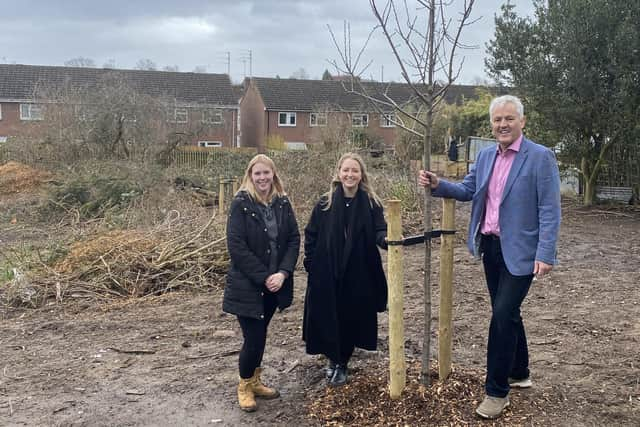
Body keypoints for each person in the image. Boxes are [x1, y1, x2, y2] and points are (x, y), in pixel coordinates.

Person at [419, 95, 561, 419]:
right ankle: (520, 371)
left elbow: (550, 210)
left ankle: (497, 391)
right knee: (507, 313)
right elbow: (469, 190)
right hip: (490, 247)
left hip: (522, 252)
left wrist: (546, 253)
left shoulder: (540, 158)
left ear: (522, 122)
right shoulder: (485, 156)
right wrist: (438, 184)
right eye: (497, 120)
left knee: (501, 314)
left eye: (509, 119)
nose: (502, 125)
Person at [222, 154, 300, 412]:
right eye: (257, 174)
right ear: (250, 176)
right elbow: (236, 246)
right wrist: (264, 276)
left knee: (261, 334)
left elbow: (292, 239)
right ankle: (244, 385)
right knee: (254, 337)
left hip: (275, 284)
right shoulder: (240, 204)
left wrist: (283, 273)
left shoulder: (282, 203)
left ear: (273, 175)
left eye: (267, 173)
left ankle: (255, 381)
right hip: (248, 285)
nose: (262, 178)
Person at [303, 152, 388, 387]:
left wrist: (387, 240)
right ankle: (332, 357)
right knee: (329, 316)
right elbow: (311, 234)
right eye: (346, 170)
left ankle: (342, 362)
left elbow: (380, 230)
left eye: (355, 170)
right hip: (327, 270)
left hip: (358, 271)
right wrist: (311, 263)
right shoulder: (324, 203)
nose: (350, 174)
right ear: (339, 173)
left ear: (361, 175)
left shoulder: (371, 203)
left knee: (351, 317)